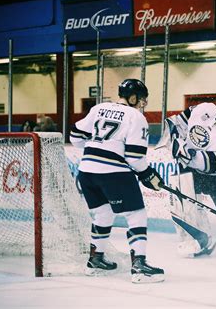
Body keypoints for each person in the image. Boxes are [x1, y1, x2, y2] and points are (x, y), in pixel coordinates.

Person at [69, 79, 165, 283]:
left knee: (103, 213)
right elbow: (134, 157)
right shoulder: (135, 116)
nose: (142, 105)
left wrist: (98, 149)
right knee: (136, 215)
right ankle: (139, 267)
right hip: (113, 173)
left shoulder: (99, 107)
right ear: (133, 98)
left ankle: (95, 260)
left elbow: (75, 136)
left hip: (86, 172)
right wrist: (148, 174)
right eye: (141, 100)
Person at [158, 97, 216, 256]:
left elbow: (213, 164)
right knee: (184, 206)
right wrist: (176, 142)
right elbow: (176, 122)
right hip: (188, 170)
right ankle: (199, 240)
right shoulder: (205, 109)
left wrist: (187, 154)